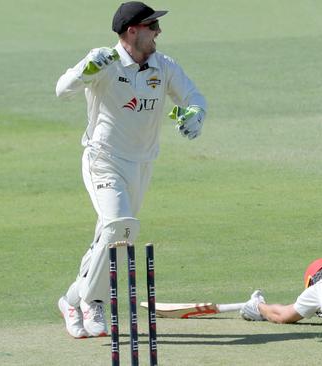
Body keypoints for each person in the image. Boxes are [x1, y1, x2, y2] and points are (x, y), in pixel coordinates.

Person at [55, 1, 207, 338]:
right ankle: (93, 301)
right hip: (103, 160)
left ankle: (70, 299)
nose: (158, 32)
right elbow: (62, 89)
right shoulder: (104, 62)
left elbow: (193, 96)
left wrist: (194, 115)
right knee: (121, 228)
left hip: (142, 164)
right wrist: (86, 71)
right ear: (132, 31)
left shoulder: (162, 65)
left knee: (110, 237)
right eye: (152, 26)